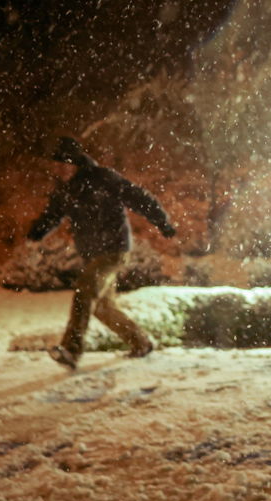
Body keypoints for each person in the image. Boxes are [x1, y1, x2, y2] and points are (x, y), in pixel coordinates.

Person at [27, 135, 176, 369]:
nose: (61, 169)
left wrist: (161, 221)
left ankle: (71, 350)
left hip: (114, 249)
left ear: (76, 162)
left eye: (65, 163)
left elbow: (137, 197)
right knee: (102, 308)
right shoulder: (65, 189)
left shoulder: (102, 178)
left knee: (84, 292)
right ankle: (141, 343)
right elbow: (53, 214)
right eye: (57, 164)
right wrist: (37, 231)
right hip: (92, 253)